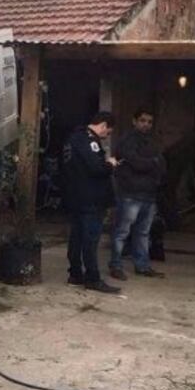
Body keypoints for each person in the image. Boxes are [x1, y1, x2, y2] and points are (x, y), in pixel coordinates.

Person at [63, 112, 121, 295]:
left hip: (74, 196)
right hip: (91, 198)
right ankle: (92, 278)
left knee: (76, 237)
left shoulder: (72, 138)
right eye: (108, 132)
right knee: (90, 239)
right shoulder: (90, 141)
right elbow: (96, 168)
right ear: (103, 125)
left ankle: (75, 274)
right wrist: (110, 164)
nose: (107, 136)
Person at [109, 108, 166, 280]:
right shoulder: (127, 140)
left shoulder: (152, 141)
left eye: (149, 121)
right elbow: (136, 163)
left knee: (143, 233)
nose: (146, 124)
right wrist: (153, 163)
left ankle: (142, 265)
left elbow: (162, 163)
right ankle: (116, 265)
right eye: (142, 120)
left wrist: (153, 166)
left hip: (148, 194)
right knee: (122, 232)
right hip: (130, 193)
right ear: (134, 121)